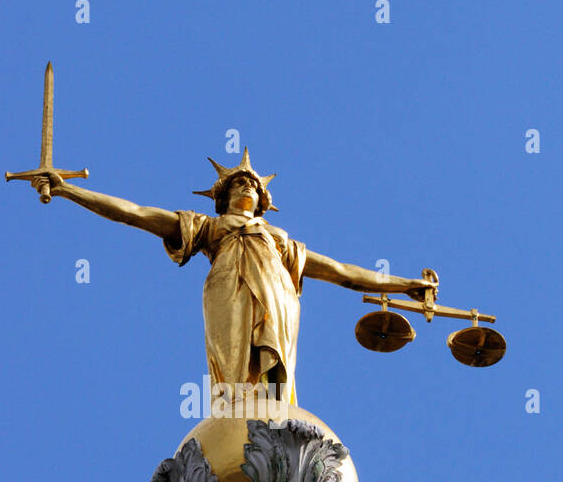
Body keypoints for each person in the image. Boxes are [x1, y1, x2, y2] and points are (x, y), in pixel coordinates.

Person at [31, 150, 434, 406]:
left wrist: (403, 285)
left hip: (276, 298)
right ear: (222, 197)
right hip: (228, 291)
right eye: (239, 182)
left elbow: (343, 273)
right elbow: (134, 213)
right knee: (236, 375)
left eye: (253, 184)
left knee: (273, 381)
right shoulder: (208, 227)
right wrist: (70, 192)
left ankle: (273, 418)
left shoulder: (281, 242)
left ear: (263, 200)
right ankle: (239, 417)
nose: (247, 185)